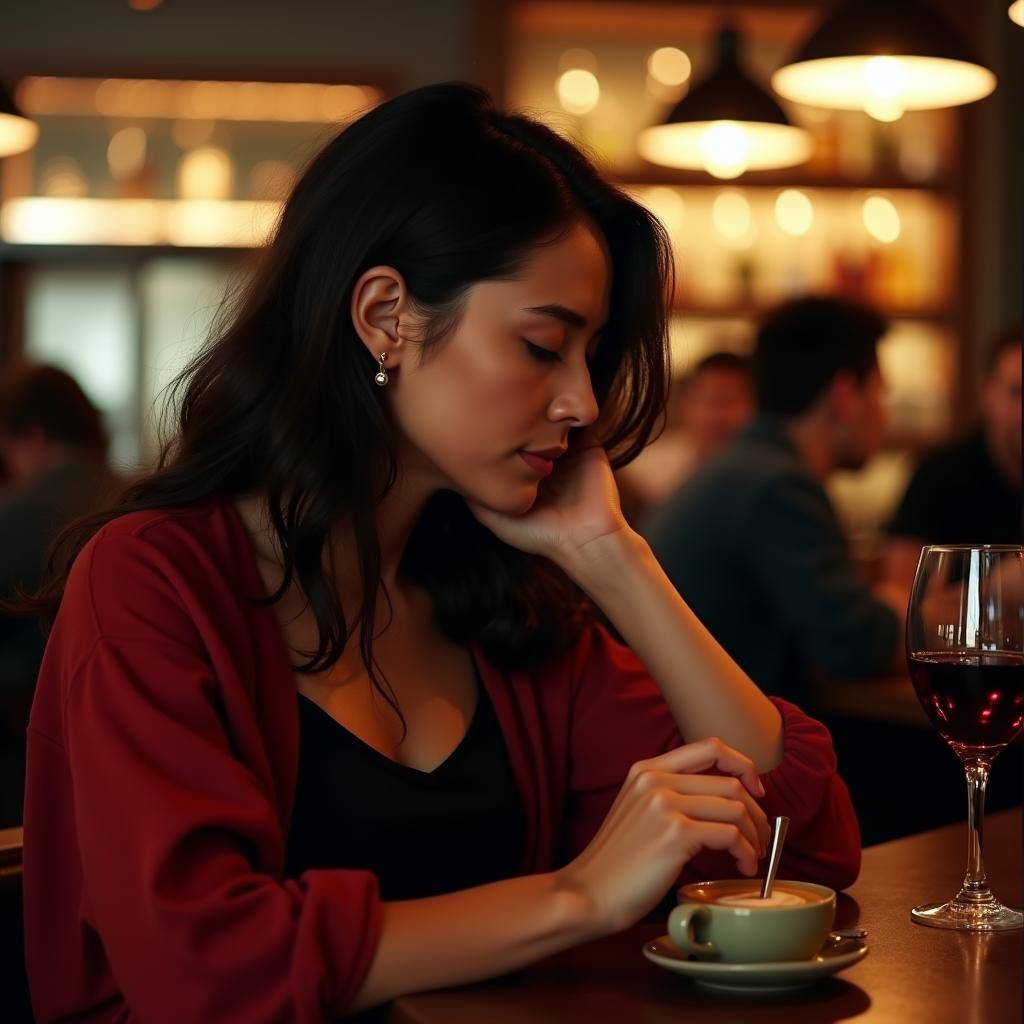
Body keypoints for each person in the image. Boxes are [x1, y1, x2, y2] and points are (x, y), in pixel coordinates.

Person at [23, 85, 860, 1023]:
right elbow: (204, 968)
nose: (584, 402)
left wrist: (613, 557)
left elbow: (797, 854)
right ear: (386, 315)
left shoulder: (501, 604)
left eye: (590, 355)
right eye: (542, 345)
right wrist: (578, 896)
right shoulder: (152, 582)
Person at [643, 296, 905, 706]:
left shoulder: (749, 464)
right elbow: (855, 648)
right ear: (843, 394)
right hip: (706, 736)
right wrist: (926, 615)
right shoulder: (778, 487)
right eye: (879, 393)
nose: (884, 416)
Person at [0, 364, 121, 826]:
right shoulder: (135, 496)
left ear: (34, 438)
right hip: (115, 747)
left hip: (25, 747)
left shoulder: (19, 513)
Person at [883, 327, 1022, 588]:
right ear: (987, 394)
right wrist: (996, 588)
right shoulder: (938, 476)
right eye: (1017, 391)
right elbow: (902, 595)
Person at [617, 350, 753, 518]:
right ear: (685, 406)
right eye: (708, 401)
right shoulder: (644, 473)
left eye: (729, 401)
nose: (717, 418)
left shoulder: (764, 471)